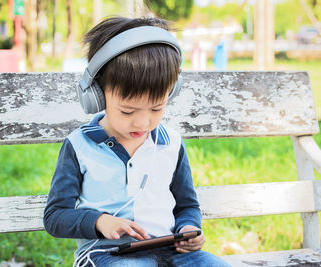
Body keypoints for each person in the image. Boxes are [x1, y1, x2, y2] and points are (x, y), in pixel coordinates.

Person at [43, 16, 230, 267]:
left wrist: (189, 228)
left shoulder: (171, 143)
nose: (143, 124)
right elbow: (55, 217)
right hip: (107, 253)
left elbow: (187, 205)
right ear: (97, 95)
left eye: (156, 109)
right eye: (128, 112)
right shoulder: (79, 146)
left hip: (172, 251)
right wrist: (100, 222)